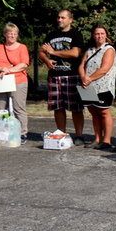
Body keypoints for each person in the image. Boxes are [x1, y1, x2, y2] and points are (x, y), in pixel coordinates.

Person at [39, 9, 85, 145]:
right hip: (54, 76)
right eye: (58, 17)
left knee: (76, 108)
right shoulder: (51, 35)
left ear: (70, 20)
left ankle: (79, 135)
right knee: (58, 108)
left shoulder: (76, 34)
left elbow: (75, 53)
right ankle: (61, 134)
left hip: (71, 75)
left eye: (63, 18)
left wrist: (54, 52)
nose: (60, 20)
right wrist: (47, 60)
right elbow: (41, 52)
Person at [0, 23, 30, 143]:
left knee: (18, 108)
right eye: (10, 33)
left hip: (18, 80)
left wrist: (9, 70)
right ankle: (4, 131)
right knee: (1, 108)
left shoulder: (22, 47)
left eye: (15, 33)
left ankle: (22, 133)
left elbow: (24, 64)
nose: (12, 35)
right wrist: (1, 69)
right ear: (5, 34)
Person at [78, 24, 116, 150]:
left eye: (102, 33)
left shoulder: (109, 49)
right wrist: (83, 77)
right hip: (87, 86)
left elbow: (104, 69)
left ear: (106, 35)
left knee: (104, 112)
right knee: (94, 112)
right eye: (97, 33)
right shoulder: (89, 50)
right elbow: (81, 65)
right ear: (93, 35)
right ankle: (97, 139)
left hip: (103, 87)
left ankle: (106, 140)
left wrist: (89, 78)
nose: (99, 36)